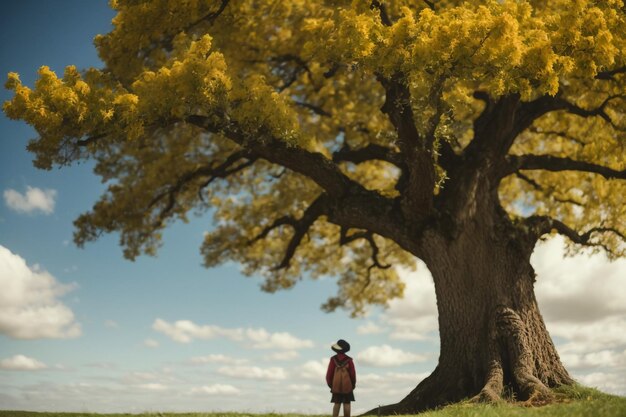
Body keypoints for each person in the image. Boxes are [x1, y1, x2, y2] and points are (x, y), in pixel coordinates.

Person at [326, 339, 356, 417]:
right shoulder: (349, 360)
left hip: (336, 386)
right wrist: (352, 385)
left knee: (337, 403)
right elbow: (352, 374)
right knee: (347, 403)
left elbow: (329, 374)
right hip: (347, 386)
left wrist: (331, 385)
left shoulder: (333, 359)